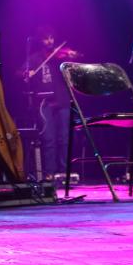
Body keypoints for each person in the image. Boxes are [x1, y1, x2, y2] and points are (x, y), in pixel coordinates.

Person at [24, 27, 80, 179]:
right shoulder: (35, 58)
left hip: (62, 100)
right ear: (40, 41)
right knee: (48, 139)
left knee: (64, 138)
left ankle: (64, 172)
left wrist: (72, 56)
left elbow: (75, 65)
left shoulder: (61, 56)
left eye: (51, 38)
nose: (49, 41)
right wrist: (27, 73)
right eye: (45, 38)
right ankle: (49, 173)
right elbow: (21, 72)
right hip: (44, 103)